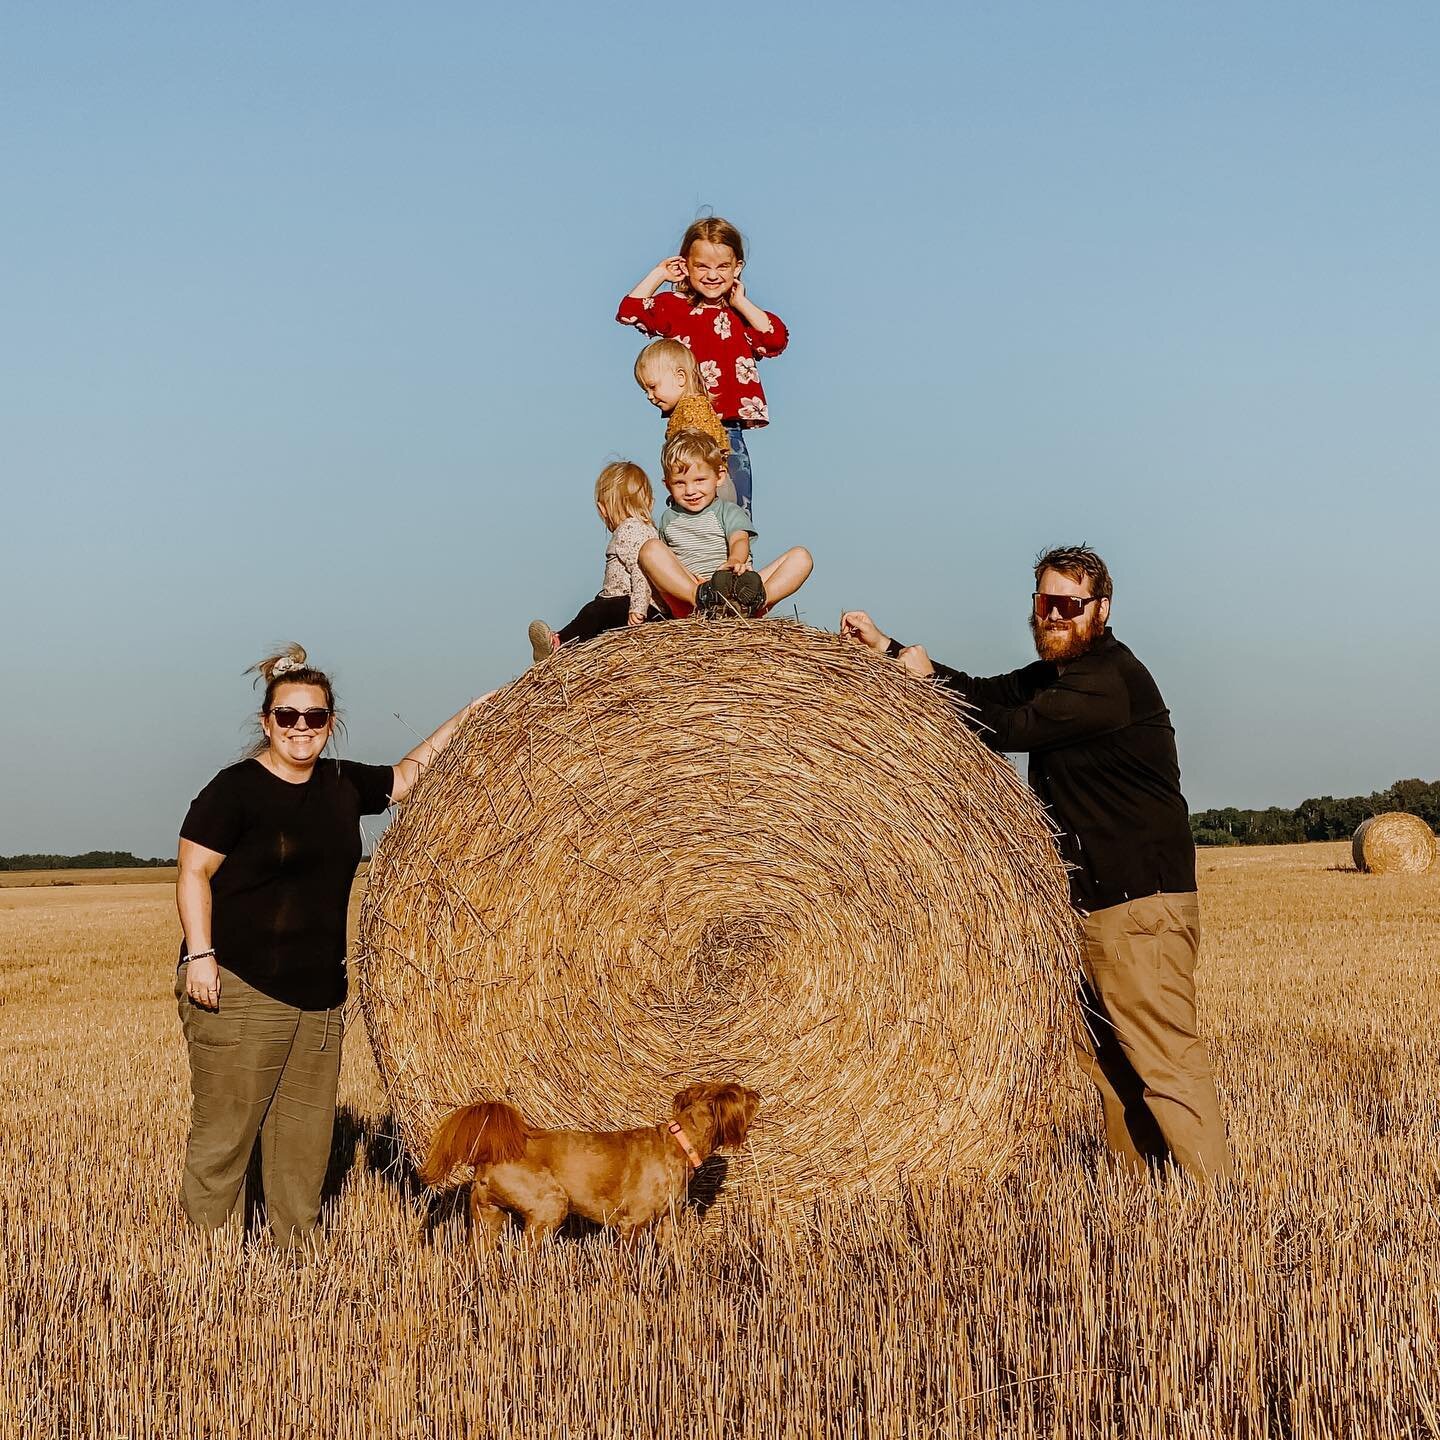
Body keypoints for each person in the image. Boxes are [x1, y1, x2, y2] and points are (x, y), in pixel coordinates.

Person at [840, 546, 1234, 1184]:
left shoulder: (1109, 681)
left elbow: (1001, 725)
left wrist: (918, 681)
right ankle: (1150, 1189)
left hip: (1139, 905)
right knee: (1109, 1059)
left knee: (1164, 1057)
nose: (1052, 615)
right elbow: (984, 692)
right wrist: (893, 654)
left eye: (1068, 605)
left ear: (1100, 611)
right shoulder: (1058, 674)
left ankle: (1218, 1210)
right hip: (1090, 903)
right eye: (1044, 603)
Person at [175, 645, 489, 1247]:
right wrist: (202, 956)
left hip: (320, 995)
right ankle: (207, 1265)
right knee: (226, 1133)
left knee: (305, 1136)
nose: (301, 729)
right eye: (288, 717)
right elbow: (193, 872)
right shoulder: (234, 790)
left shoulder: (342, 785)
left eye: (314, 718)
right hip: (241, 984)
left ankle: (297, 1254)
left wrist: (474, 714)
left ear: (331, 722)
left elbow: (407, 777)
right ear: (266, 722)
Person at [617, 216, 787, 517]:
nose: (712, 275)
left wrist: (742, 302)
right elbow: (630, 310)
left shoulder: (740, 317)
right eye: (702, 266)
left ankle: (737, 561)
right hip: (687, 427)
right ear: (686, 265)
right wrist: (660, 273)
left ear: (737, 268)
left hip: (729, 429)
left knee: (735, 507)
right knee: (690, 502)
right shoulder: (676, 307)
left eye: (722, 266)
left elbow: (774, 340)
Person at [639, 430, 812, 620]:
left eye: (699, 480)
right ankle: (704, 596)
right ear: (667, 484)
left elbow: (739, 538)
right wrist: (693, 585)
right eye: (680, 483)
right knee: (649, 549)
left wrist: (735, 560)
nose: (690, 491)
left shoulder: (727, 511)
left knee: (801, 557)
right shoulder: (668, 519)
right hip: (695, 594)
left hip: (738, 588)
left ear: (719, 476)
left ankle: (756, 600)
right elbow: (668, 564)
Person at [527, 461, 666, 662]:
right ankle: (565, 644)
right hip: (626, 601)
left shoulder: (629, 530)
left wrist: (638, 607)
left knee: (593, 612)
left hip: (634, 604)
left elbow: (640, 571)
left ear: (603, 509)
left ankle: (560, 644)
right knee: (595, 610)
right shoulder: (646, 529)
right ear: (650, 503)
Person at [632, 338, 735, 501]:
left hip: (709, 489)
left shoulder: (692, 411)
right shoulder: (686, 409)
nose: (650, 396)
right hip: (706, 485)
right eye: (645, 391)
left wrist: (683, 489)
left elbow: (698, 458)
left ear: (680, 378)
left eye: (652, 387)